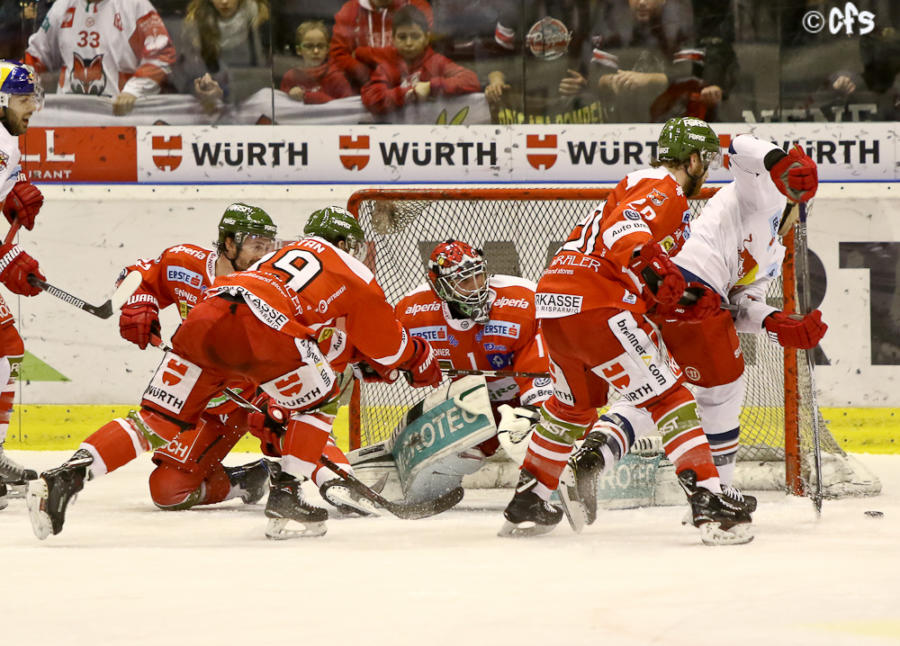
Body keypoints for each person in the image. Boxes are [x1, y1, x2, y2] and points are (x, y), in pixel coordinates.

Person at [28, 206, 442, 540]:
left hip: (210, 315)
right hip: (266, 332)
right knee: (321, 400)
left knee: (154, 420)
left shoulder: (283, 254)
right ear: (348, 245)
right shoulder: (355, 275)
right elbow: (390, 348)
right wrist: (418, 359)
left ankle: (66, 476)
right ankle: (288, 495)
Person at [501, 117, 754, 545]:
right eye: (706, 162)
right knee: (670, 396)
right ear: (693, 159)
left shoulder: (645, 188)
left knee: (571, 408)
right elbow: (626, 231)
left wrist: (686, 297)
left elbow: (638, 264)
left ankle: (530, 498)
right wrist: (654, 268)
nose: (707, 171)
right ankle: (708, 500)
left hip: (555, 302)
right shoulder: (663, 186)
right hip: (597, 301)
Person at [568, 135, 824, 514]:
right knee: (724, 388)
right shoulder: (762, 194)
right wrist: (778, 161)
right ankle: (717, 490)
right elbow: (740, 146)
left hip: (672, 296)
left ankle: (594, 455)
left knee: (657, 388)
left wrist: (776, 323)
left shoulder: (774, 250)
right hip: (686, 285)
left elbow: (740, 305)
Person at [25, 203, 277, 532]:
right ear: (229, 243)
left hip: (255, 394)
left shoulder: (275, 283)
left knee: (296, 432)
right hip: (201, 390)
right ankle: (250, 479)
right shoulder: (184, 263)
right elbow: (136, 276)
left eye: (268, 246)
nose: (264, 255)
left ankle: (310, 481)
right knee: (168, 490)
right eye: (256, 246)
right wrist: (140, 302)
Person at [0, 60, 45, 508]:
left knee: (6, 348)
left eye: (32, 96)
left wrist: (9, 198)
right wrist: (6, 258)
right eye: (22, 98)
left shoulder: (7, 141)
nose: (31, 105)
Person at [24, 0, 175, 116]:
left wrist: (134, 91)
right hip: (68, 119)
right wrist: (16, 83)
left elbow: (161, 54)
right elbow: (37, 55)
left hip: (119, 118)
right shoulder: (63, 6)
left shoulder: (135, 5)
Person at [484, 0, 605, 124]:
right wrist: (497, 82)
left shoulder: (586, 8)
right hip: (525, 108)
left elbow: (606, 68)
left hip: (575, 110)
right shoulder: (514, 10)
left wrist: (587, 84)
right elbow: (496, 60)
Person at [361, 5, 480, 115]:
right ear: (393, 39)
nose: (409, 43)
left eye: (415, 36)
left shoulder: (436, 62)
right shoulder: (387, 66)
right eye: (402, 37)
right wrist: (409, 94)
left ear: (426, 38)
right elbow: (372, 97)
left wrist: (431, 87)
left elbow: (471, 80)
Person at [177, 0, 271, 112]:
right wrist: (202, 89)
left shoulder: (259, 20)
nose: (224, 1)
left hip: (253, 107)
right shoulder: (196, 23)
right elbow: (187, 75)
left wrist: (226, 92)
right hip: (210, 109)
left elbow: (269, 77)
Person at [329, 0, 434, 90]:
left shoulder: (417, 5)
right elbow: (337, 55)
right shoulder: (350, 10)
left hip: (412, 87)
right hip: (364, 90)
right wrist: (368, 75)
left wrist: (362, 53)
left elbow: (424, 49)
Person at [280, 20, 354, 104]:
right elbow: (281, 105)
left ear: (327, 49)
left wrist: (309, 96)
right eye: (309, 46)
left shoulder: (337, 78)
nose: (316, 51)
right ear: (299, 50)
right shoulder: (290, 77)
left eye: (321, 46)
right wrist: (289, 94)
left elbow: (347, 106)